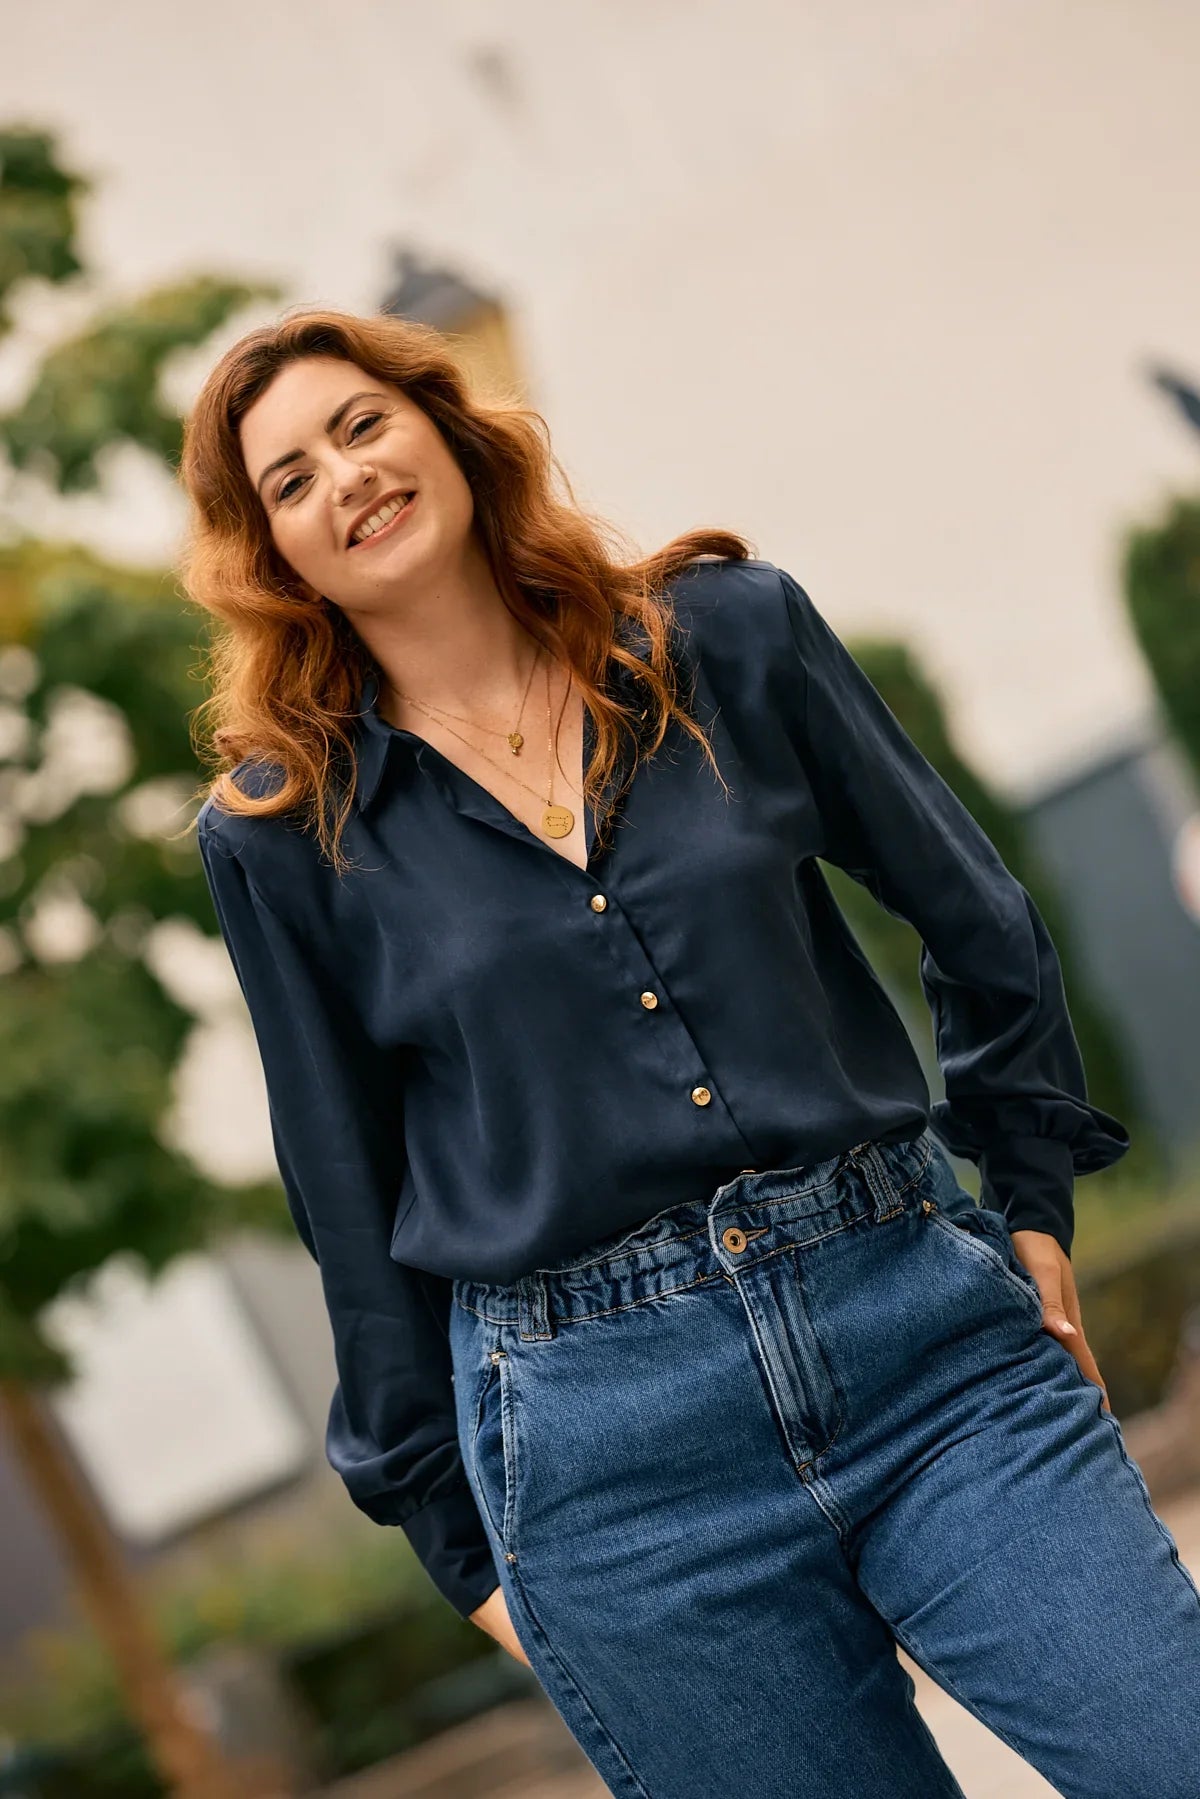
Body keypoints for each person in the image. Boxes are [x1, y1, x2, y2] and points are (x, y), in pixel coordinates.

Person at [180, 306, 1200, 1798]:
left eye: (361, 426)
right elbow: (346, 1187)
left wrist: (1030, 1192)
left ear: (449, 431)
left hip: (922, 1348)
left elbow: (975, 919)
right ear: (271, 554)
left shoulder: (727, 638)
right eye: (287, 480)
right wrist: (458, 1546)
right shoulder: (284, 834)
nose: (343, 479)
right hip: (613, 1468)